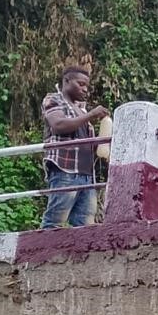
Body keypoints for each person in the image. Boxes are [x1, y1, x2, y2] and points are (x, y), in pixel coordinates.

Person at [39, 67, 109, 229]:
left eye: (87, 86)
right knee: (55, 221)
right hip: (65, 171)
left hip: (86, 176)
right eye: (81, 84)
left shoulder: (81, 109)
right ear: (67, 81)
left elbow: (89, 146)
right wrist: (91, 115)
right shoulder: (54, 99)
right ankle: (45, 254)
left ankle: (79, 256)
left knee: (85, 227)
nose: (85, 89)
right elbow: (58, 125)